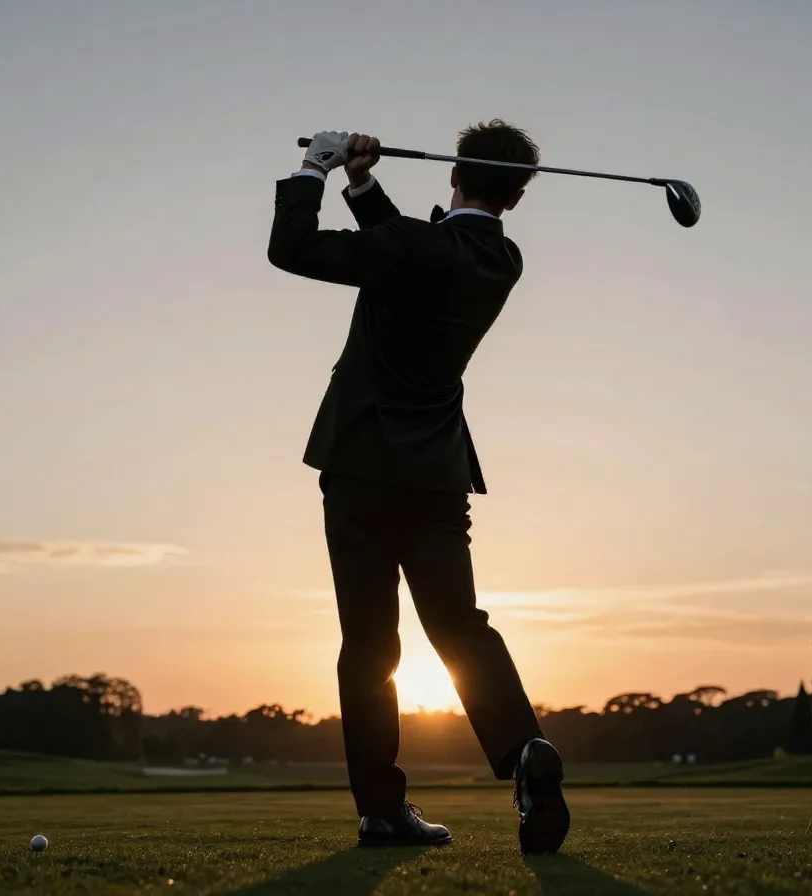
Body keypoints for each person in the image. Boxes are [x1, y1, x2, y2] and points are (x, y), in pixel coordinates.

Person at [267, 122, 570, 855]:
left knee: (370, 645)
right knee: (461, 626)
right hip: (436, 477)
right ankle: (522, 746)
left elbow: (293, 248)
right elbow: (407, 250)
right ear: (518, 195)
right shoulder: (503, 259)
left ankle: (380, 811)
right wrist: (362, 182)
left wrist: (317, 166)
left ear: (455, 176)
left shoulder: (409, 248)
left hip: (360, 464)